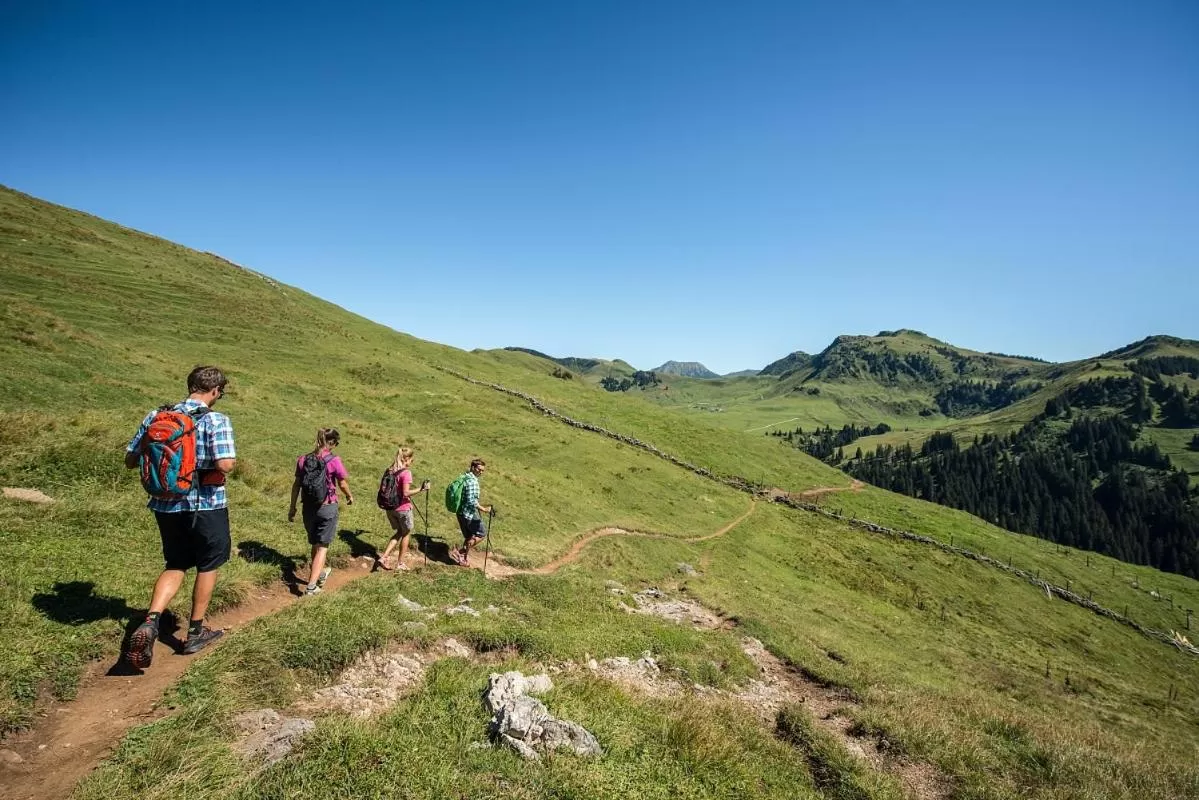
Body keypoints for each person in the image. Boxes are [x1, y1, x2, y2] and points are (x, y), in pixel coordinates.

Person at [123, 365, 236, 669]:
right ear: (216, 391)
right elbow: (225, 465)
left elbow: (130, 460)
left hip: (165, 505)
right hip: (206, 505)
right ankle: (196, 631)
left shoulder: (156, 417)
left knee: (175, 563)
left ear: (190, 386)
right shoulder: (216, 420)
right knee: (209, 564)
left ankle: (150, 621)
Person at [288, 428, 353, 596]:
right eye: (336, 443)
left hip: (308, 508)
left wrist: (292, 506)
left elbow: (296, 485)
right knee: (323, 547)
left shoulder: (303, 459)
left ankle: (319, 574)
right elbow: (343, 483)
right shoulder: (334, 460)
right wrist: (349, 496)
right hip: (327, 506)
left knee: (315, 544)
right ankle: (311, 587)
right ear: (331, 443)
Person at [377, 447, 430, 572]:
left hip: (390, 507)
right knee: (406, 533)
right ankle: (400, 563)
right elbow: (406, 493)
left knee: (400, 531)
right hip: (403, 509)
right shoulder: (406, 473)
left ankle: (384, 557)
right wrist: (421, 489)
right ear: (406, 459)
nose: (412, 462)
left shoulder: (389, 470)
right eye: (411, 460)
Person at [451, 458, 493, 566]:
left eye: (483, 470)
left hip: (460, 511)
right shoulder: (473, 481)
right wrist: (484, 509)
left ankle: (463, 559)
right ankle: (460, 552)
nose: (481, 472)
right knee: (481, 533)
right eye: (479, 469)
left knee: (469, 536)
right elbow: (471, 501)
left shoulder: (465, 476)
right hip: (468, 513)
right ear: (473, 468)